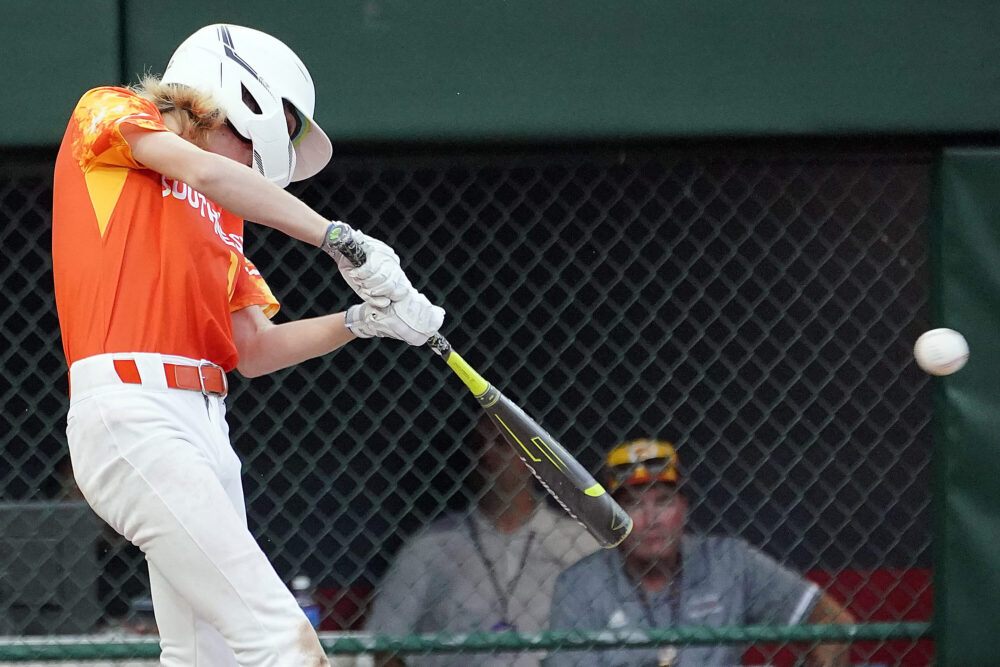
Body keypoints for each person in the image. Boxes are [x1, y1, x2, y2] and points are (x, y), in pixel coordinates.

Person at [51, 23, 444, 667]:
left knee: (205, 658)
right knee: (280, 643)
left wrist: (360, 321)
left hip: (206, 428)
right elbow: (202, 168)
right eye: (276, 132)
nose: (269, 160)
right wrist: (341, 239)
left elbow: (253, 347)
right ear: (240, 96)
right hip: (133, 411)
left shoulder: (224, 217)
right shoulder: (113, 112)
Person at [545, 439, 855, 667]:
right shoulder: (579, 586)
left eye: (664, 500)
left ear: (684, 507)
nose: (651, 518)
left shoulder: (729, 561)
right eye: (633, 504)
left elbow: (833, 622)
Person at [364, 413, 601, 666]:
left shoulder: (580, 542)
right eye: (477, 444)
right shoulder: (428, 546)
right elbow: (383, 645)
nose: (487, 454)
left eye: (500, 442)